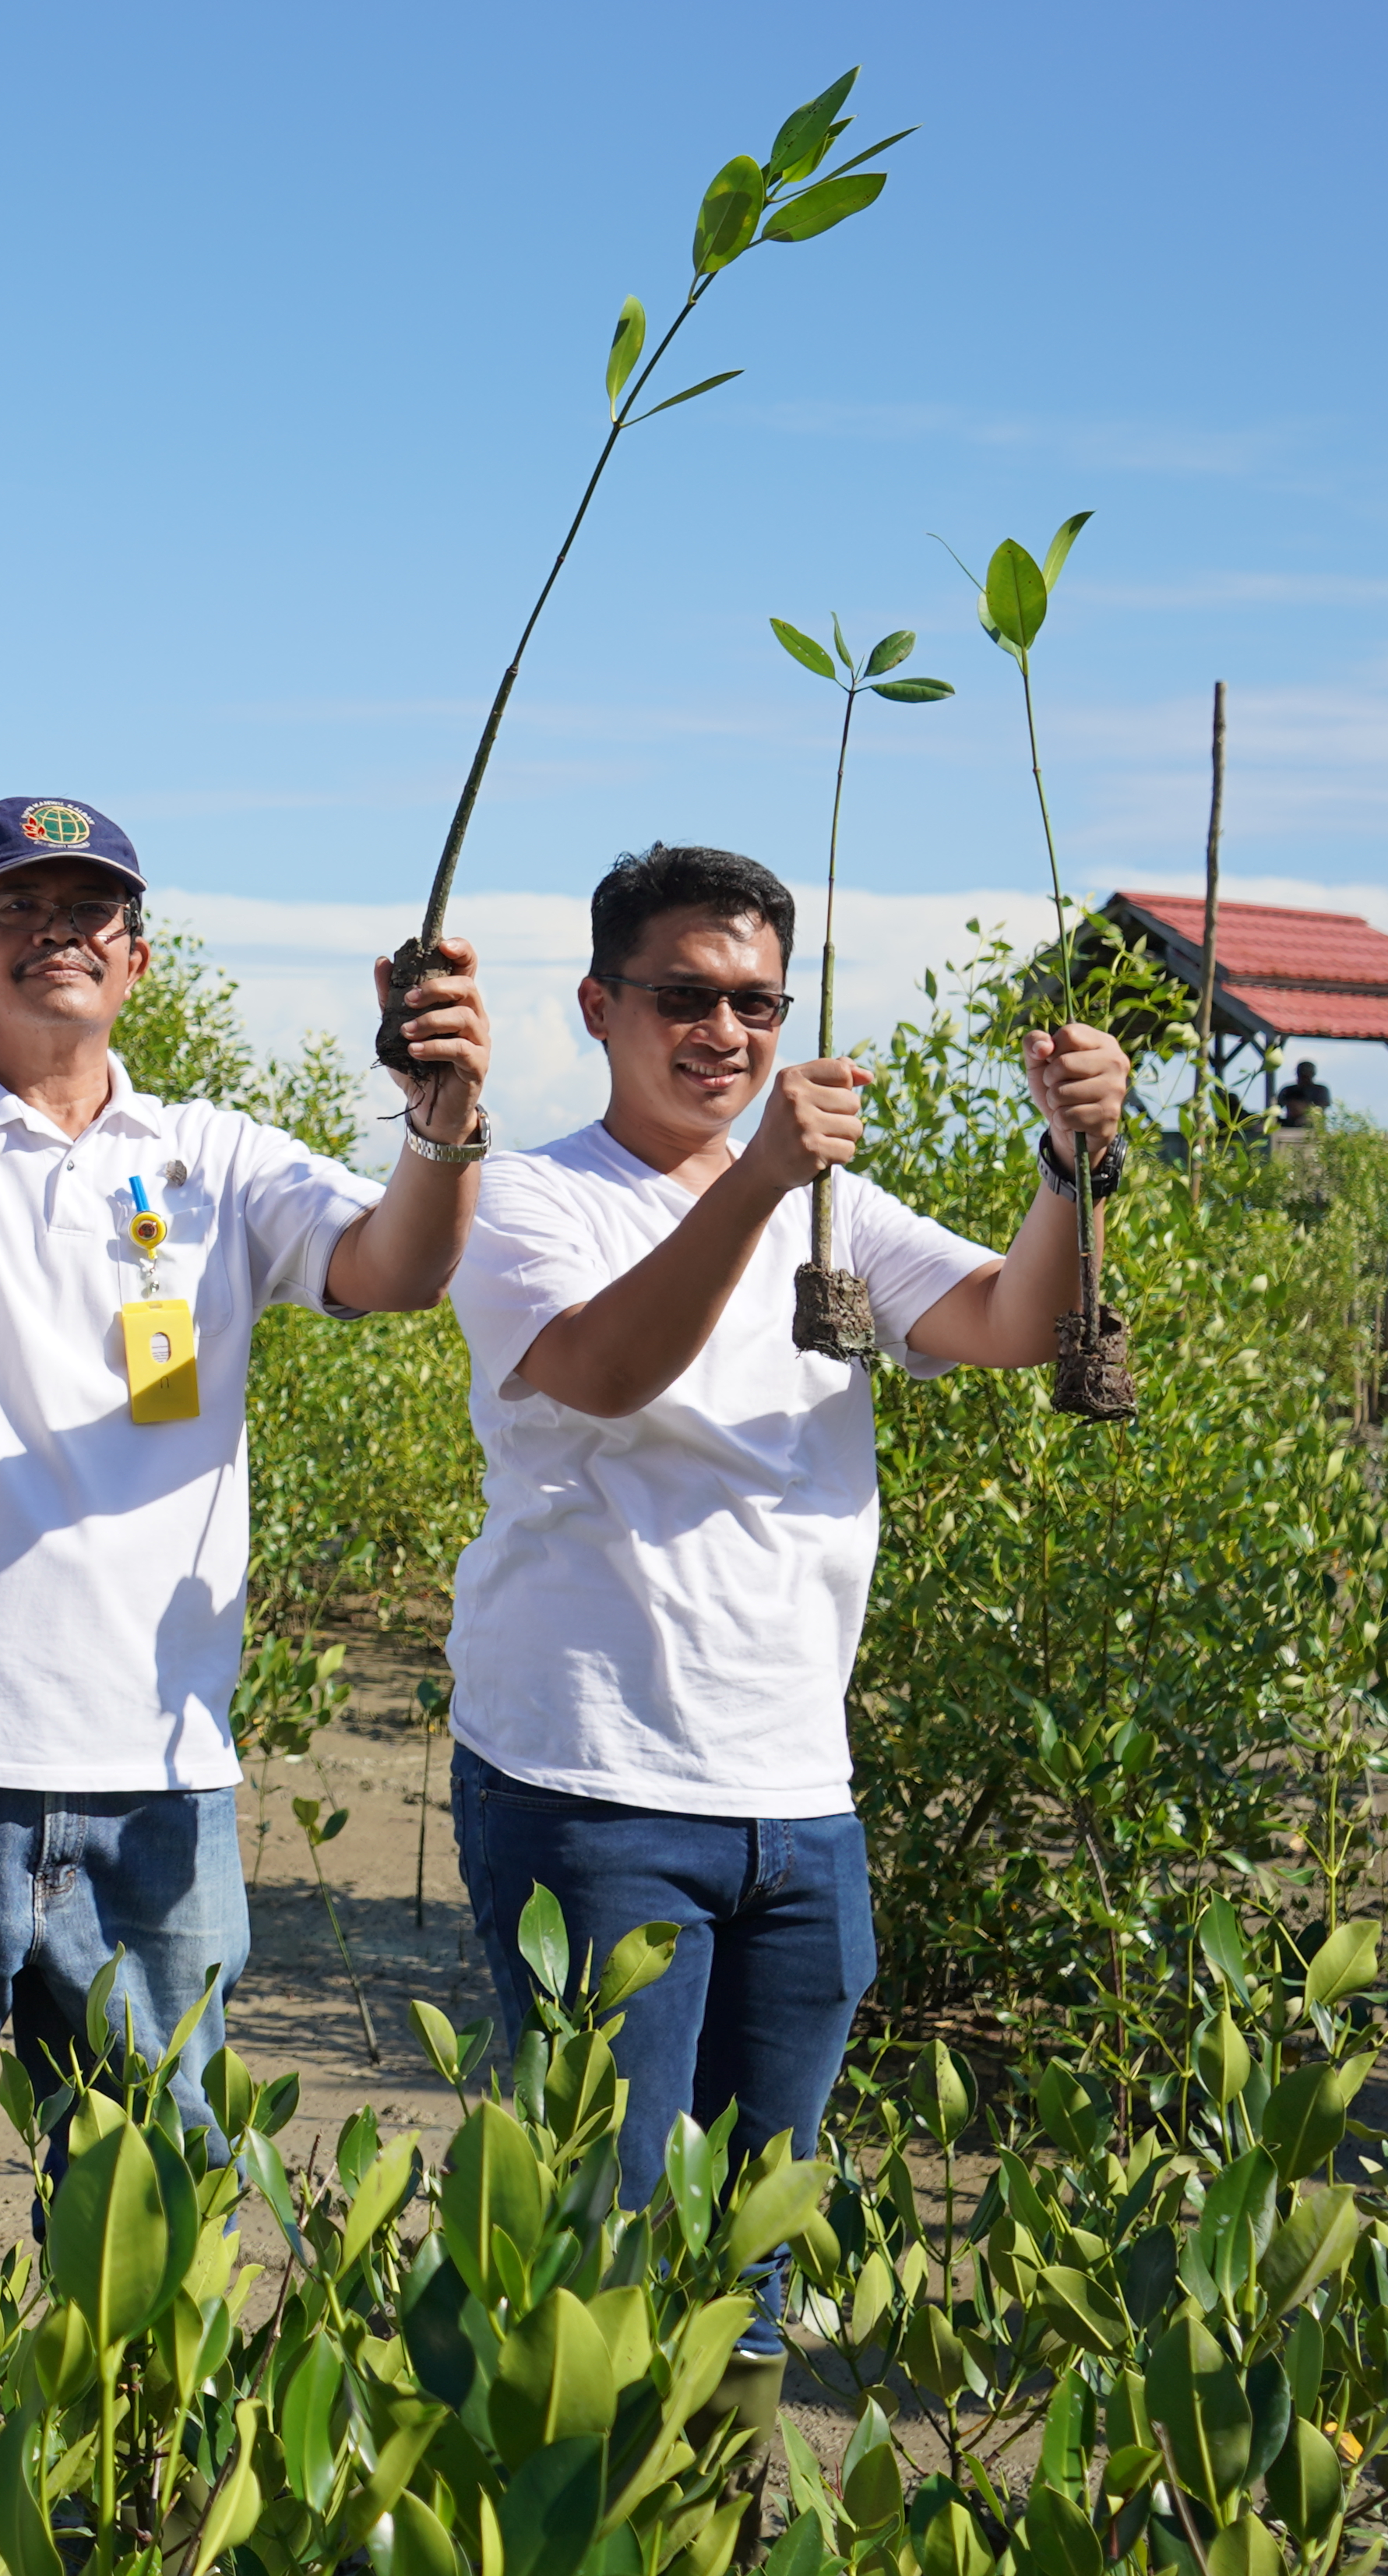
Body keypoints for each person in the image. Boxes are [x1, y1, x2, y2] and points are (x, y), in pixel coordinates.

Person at [0, 798, 496, 2210]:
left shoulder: (216, 1155)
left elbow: (398, 1270)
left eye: (90, 912)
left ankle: (124, 2444)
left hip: (154, 1773)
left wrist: (442, 1131)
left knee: (154, 2198)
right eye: (14, 909)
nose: (55, 934)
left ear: (139, 960)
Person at [441, 841, 1126, 2402]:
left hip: (799, 1799)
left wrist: (1071, 1161)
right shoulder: (528, 1197)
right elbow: (611, 1370)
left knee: (758, 2232)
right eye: (685, 996)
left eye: (756, 1000)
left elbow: (1015, 1320)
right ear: (600, 1005)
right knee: (603, 2233)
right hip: (590, 1785)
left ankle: (720, 2496)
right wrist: (757, 1182)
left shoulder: (838, 1211)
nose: (725, 1032)